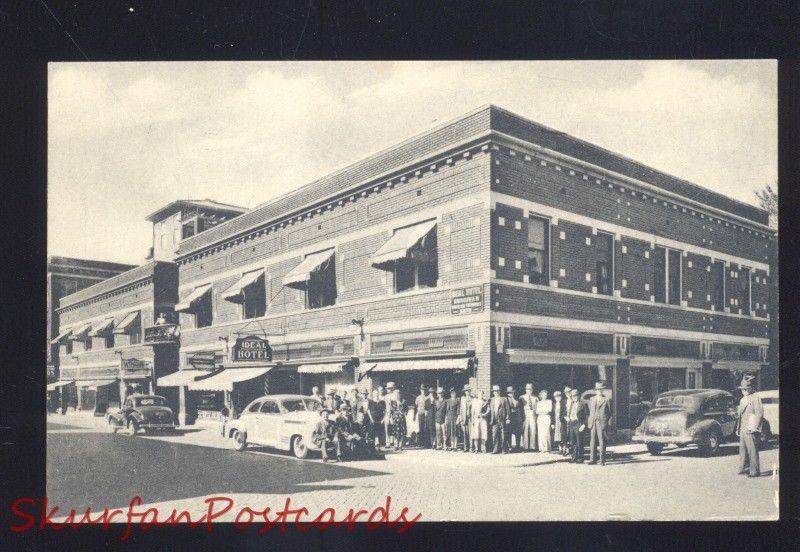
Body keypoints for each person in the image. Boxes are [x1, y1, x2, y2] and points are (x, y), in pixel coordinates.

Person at [736, 376, 764, 477]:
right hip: (743, 427)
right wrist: (738, 428)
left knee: (752, 450)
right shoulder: (742, 399)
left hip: (751, 427)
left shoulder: (755, 398)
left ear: (751, 388)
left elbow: (759, 413)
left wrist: (755, 427)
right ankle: (744, 467)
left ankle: (754, 471)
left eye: (746, 389)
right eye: (742, 389)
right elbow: (740, 416)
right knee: (742, 449)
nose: (744, 391)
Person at [587, 382, 612, 465]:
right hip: (593, 422)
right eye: (597, 390)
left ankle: (602, 460)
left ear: (603, 390)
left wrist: (607, 423)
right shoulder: (592, 399)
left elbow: (610, 413)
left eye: (600, 390)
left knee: (602, 441)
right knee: (592, 441)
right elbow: (590, 411)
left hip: (602, 423)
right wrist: (590, 420)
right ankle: (592, 459)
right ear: (595, 390)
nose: (599, 391)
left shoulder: (606, 399)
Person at [488, 384, 511, 454]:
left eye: (497, 391)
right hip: (494, 420)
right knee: (494, 435)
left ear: (499, 391)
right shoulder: (491, 400)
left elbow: (507, 409)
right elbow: (489, 409)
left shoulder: (504, 399)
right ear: (493, 392)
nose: (496, 392)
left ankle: (503, 449)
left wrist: (508, 418)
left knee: (503, 435)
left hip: (502, 419)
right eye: (495, 391)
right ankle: (495, 449)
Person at [567, 388, 587, 463]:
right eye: (572, 396)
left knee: (579, 441)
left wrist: (584, 425)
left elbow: (587, 415)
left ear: (578, 396)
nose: (574, 397)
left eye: (575, 396)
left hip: (579, 423)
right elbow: (570, 412)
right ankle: (574, 457)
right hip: (572, 423)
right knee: (573, 441)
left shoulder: (583, 404)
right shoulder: (572, 403)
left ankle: (580, 457)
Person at [519, 383, 538, 451]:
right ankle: (525, 447)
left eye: (530, 389)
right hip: (525, 413)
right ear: (525, 389)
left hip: (533, 413)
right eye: (527, 389)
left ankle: (532, 447)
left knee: (533, 429)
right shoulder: (522, 397)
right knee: (525, 430)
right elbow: (520, 408)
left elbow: (537, 408)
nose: (529, 390)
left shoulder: (535, 398)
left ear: (532, 390)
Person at [505, 386, 522, 452]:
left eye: (511, 392)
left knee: (517, 433)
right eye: (509, 393)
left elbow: (517, 405)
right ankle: (510, 447)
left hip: (516, 418)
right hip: (509, 418)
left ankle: (517, 447)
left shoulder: (517, 399)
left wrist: (513, 398)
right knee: (509, 433)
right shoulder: (506, 399)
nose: (510, 394)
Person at [457, 384, 472, 452]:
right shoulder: (462, 399)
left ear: (470, 391)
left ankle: (471, 447)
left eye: (468, 391)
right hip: (464, 418)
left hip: (471, 418)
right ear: (464, 392)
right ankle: (466, 447)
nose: (467, 392)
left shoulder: (473, 398)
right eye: (466, 391)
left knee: (471, 433)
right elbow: (460, 409)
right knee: (465, 433)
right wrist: (460, 418)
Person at [552, 390, 567, 454]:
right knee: (556, 435)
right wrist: (552, 423)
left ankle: (564, 448)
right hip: (556, 421)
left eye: (559, 396)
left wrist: (561, 418)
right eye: (556, 397)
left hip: (561, 421)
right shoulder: (554, 404)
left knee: (563, 435)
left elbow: (564, 412)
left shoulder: (563, 403)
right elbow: (552, 414)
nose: (557, 398)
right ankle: (560, 448)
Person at [383, 382, 396, 448]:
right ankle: (387, 442)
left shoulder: (395, 395)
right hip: (387, 414)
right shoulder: (385, 396)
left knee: (393, 427)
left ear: (392, 389)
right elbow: (384, 406)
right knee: (387, 428)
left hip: (393, 413)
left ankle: (393, 441)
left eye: (390, 388)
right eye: (387, 388)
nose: (388, 390)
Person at [562, 386, 573, 457]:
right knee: (565, 435)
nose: (567, 394)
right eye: (566, 392)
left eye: (569, 392)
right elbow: (561, 412)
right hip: (565, 421)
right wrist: (565, 417)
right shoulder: (563, 401)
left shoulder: (573, 400)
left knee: (571, 435)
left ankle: (571, 450)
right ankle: (565, 449)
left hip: (572, 420)